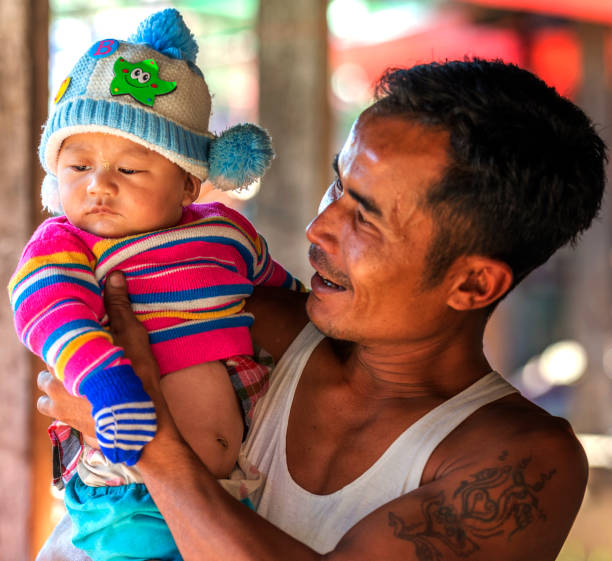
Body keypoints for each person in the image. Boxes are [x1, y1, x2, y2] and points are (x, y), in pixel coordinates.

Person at [37, 58, 606, 561]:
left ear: (474, 283)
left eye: (366, 216)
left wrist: (153, 445)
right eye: (338, 187)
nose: (319, 228)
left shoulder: (518, 463)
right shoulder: (244, 319)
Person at [10, 9, 302, 561]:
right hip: (126, 478)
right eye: (77, 166)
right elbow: (47, 313)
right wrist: (108, 387)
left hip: (233, 482)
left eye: (130, 170)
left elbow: (286, 294)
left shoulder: (225, 230)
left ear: (188, 183)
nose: (98, 186)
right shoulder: (68, 242)